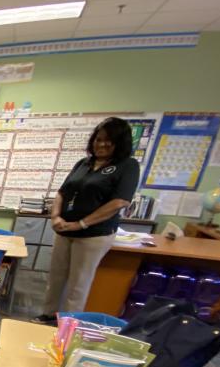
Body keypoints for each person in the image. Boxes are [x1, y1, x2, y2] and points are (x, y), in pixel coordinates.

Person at [34, 117, 141, 322]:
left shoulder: (127, 166)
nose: (101, 144)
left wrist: (81, 223)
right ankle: (47, 314)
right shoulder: (84, 163)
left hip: (93, 234)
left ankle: (67, 322)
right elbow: (62, 192)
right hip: (63, 230)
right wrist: (55, 216)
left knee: (78, 282)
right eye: (98, 139)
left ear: (119, 143)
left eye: (108, 141)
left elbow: (119, 202)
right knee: (56, 277)